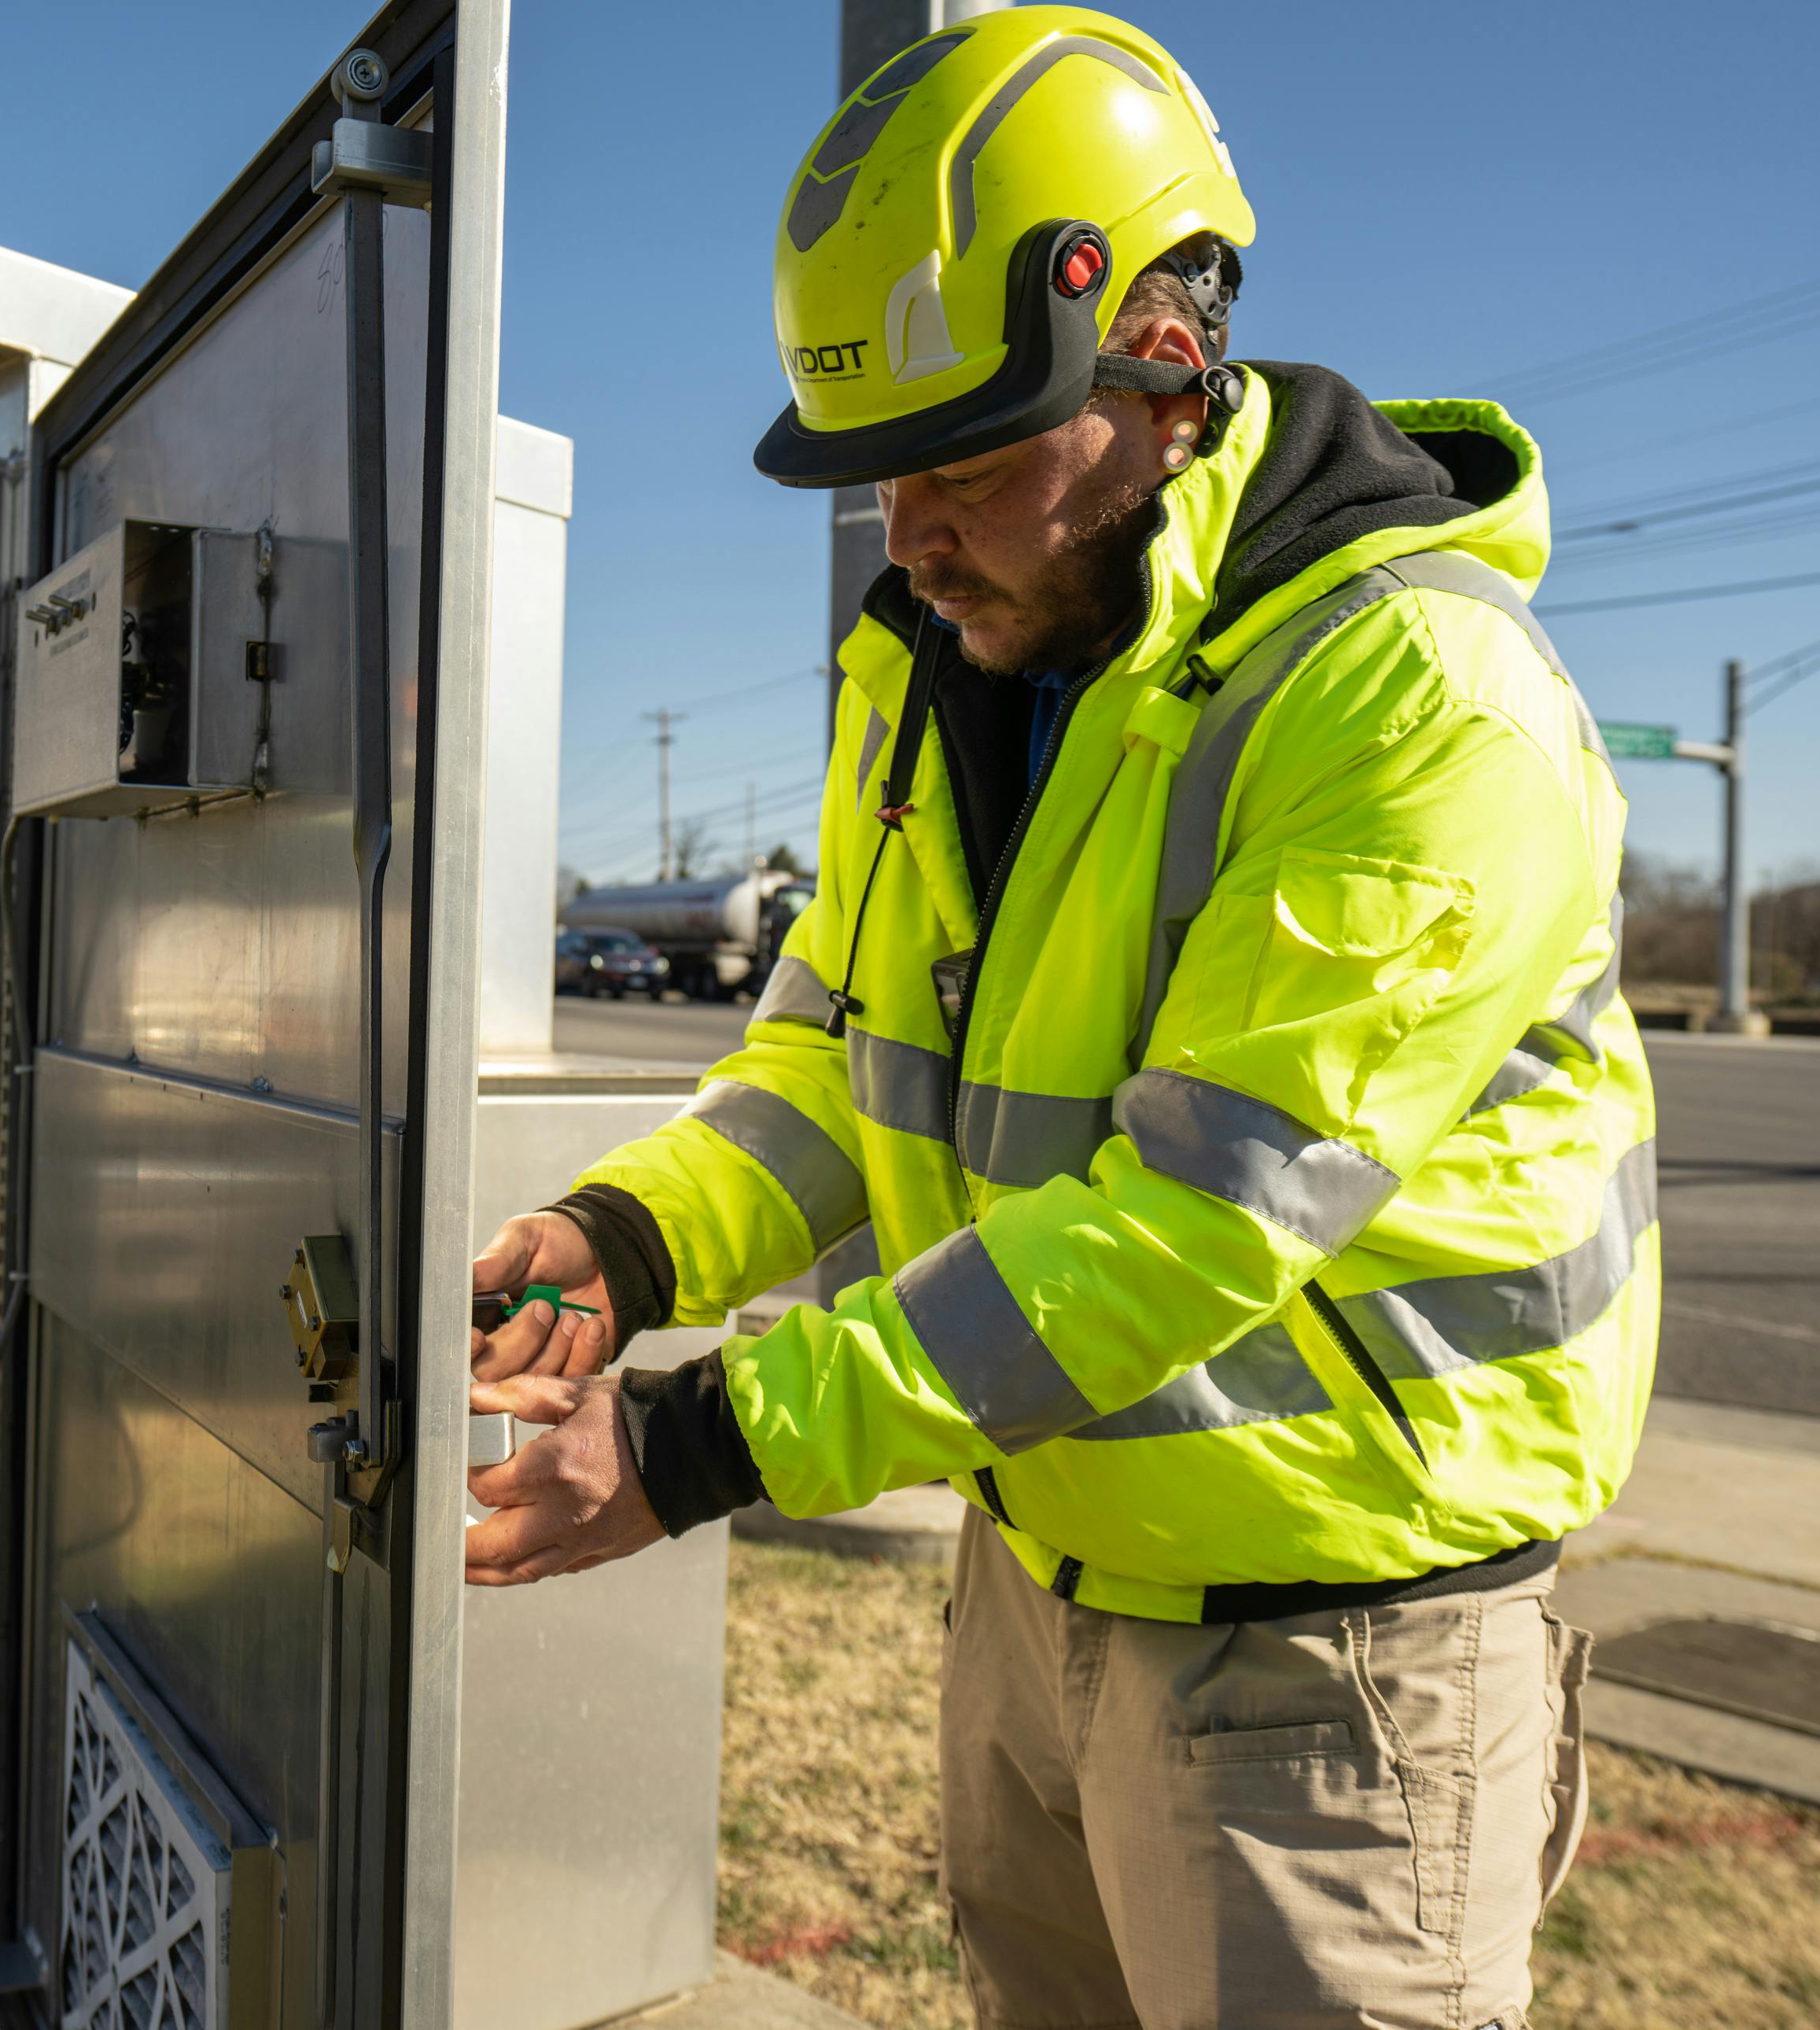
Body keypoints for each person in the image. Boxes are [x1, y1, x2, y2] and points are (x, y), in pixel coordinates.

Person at [462, 9, 1654, 2027]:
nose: (910, 536)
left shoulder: (1415, 697)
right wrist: (630, 1237)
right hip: (1039, 1572)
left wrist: (699, 1437)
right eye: (873, 477)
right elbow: (834, 1066)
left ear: (1169, 353)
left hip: (1334, 1652)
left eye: (970, 456)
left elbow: (1202, 1214)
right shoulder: (925, 670)